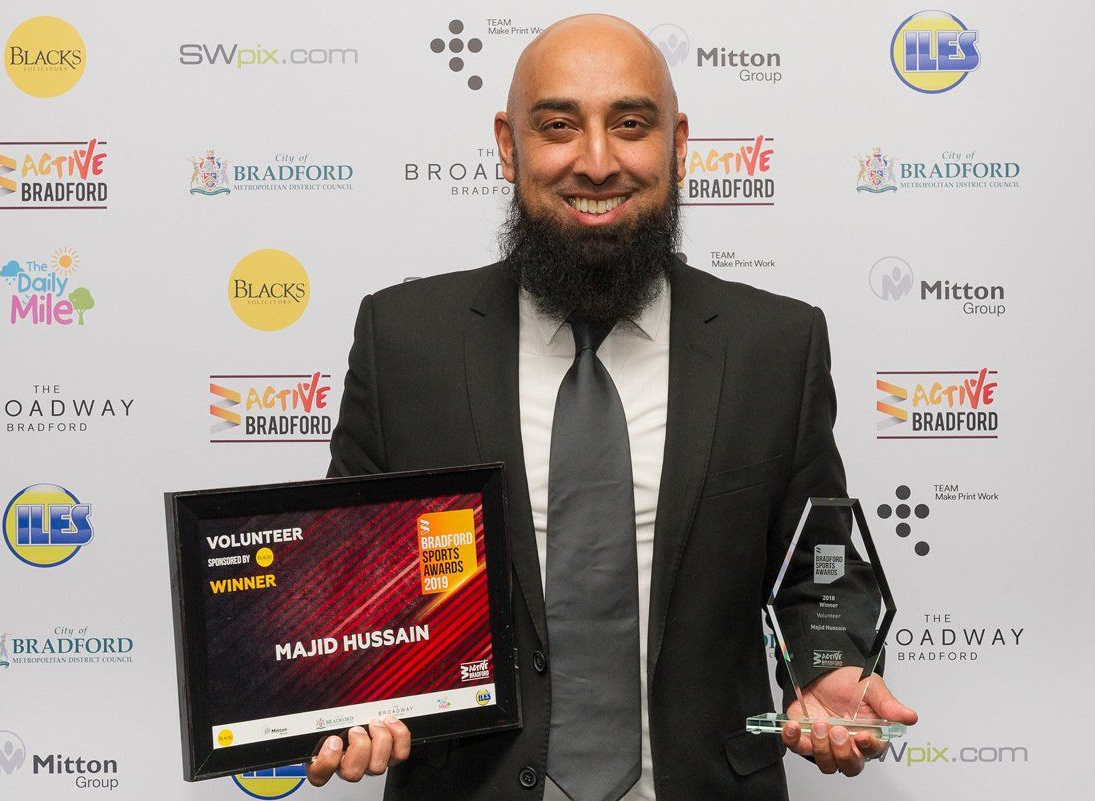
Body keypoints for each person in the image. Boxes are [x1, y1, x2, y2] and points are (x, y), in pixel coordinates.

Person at [309, 14, 917, 800]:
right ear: (507, 143)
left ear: (678, 142)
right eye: (559, 125)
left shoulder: (778, 344)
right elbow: (348, 582)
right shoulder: (402, 340)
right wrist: (344, 694)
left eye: (631, 125)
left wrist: (830, 662)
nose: (597, 163)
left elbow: (818, 567)